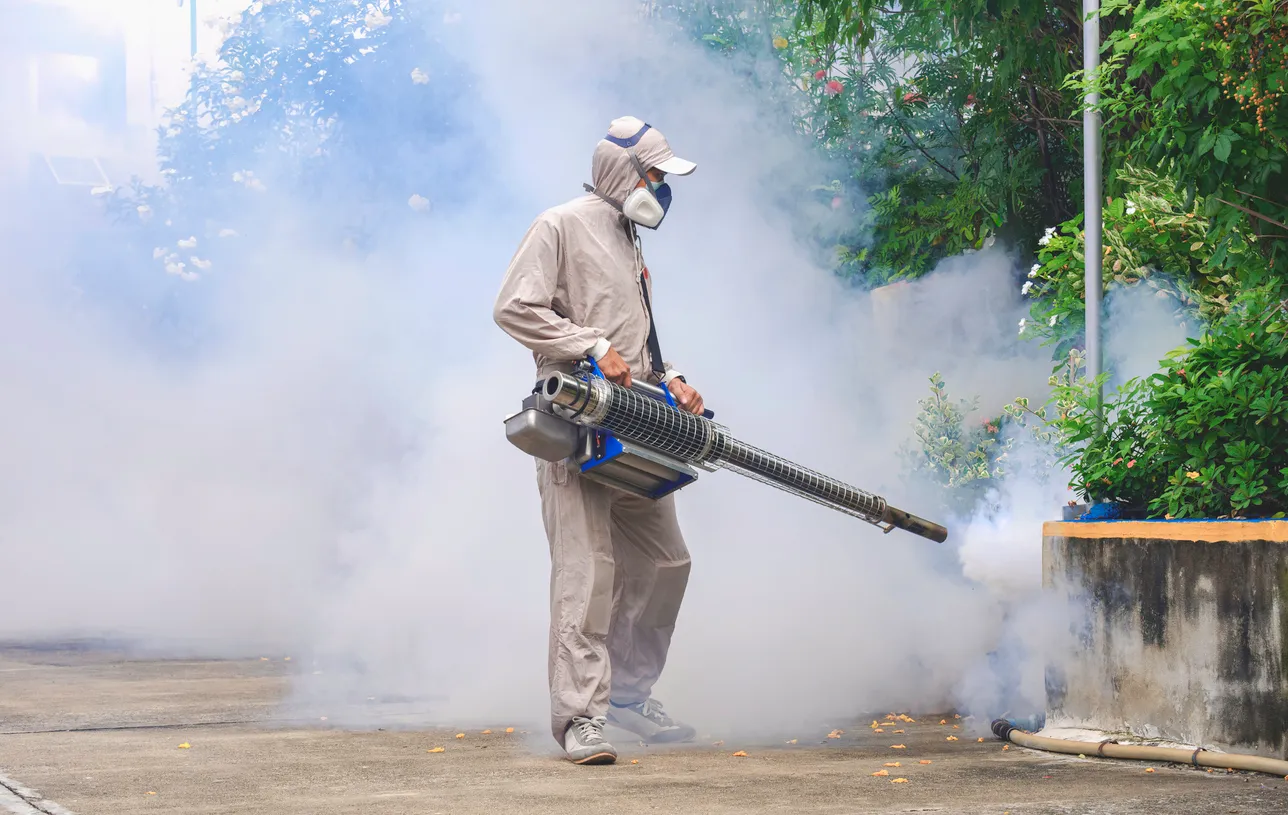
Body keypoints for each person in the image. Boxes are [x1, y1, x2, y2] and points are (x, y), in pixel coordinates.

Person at [493, 116, 704, 765]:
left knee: (667, 561)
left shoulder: (627, 235)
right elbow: (514, 307)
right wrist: (591, 346)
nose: (662, 189)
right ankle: (583, 714)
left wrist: (672, 377)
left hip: (636, 424)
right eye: (655, 175)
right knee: (587, 575)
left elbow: (637, 334)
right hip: (577, 427)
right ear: (621, 173)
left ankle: (632, 696)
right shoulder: (560, 224)